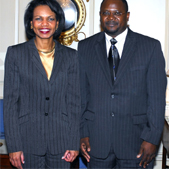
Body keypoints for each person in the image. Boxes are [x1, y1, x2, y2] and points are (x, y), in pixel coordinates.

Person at [78, 0, 167, 168]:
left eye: (117, 13)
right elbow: (81, 95)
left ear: (127, 16)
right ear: (100, 16)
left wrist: (151, 138)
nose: (111, 17)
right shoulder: (85, 47)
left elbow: (156, 99)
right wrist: (82, 133)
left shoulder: (150, 47)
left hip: (136, 143)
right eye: (106, 13)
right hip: (96, 143)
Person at [3, 0, 80, 168]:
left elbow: (74, 103)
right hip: (27, 141)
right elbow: (10, 105)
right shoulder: (16, 54)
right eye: (39, 18)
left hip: (61, 143)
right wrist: (14, 146)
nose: (44, 24)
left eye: (50, 19)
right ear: (31, 23)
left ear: (57, 23)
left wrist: (74, 142)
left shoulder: (71, 56)